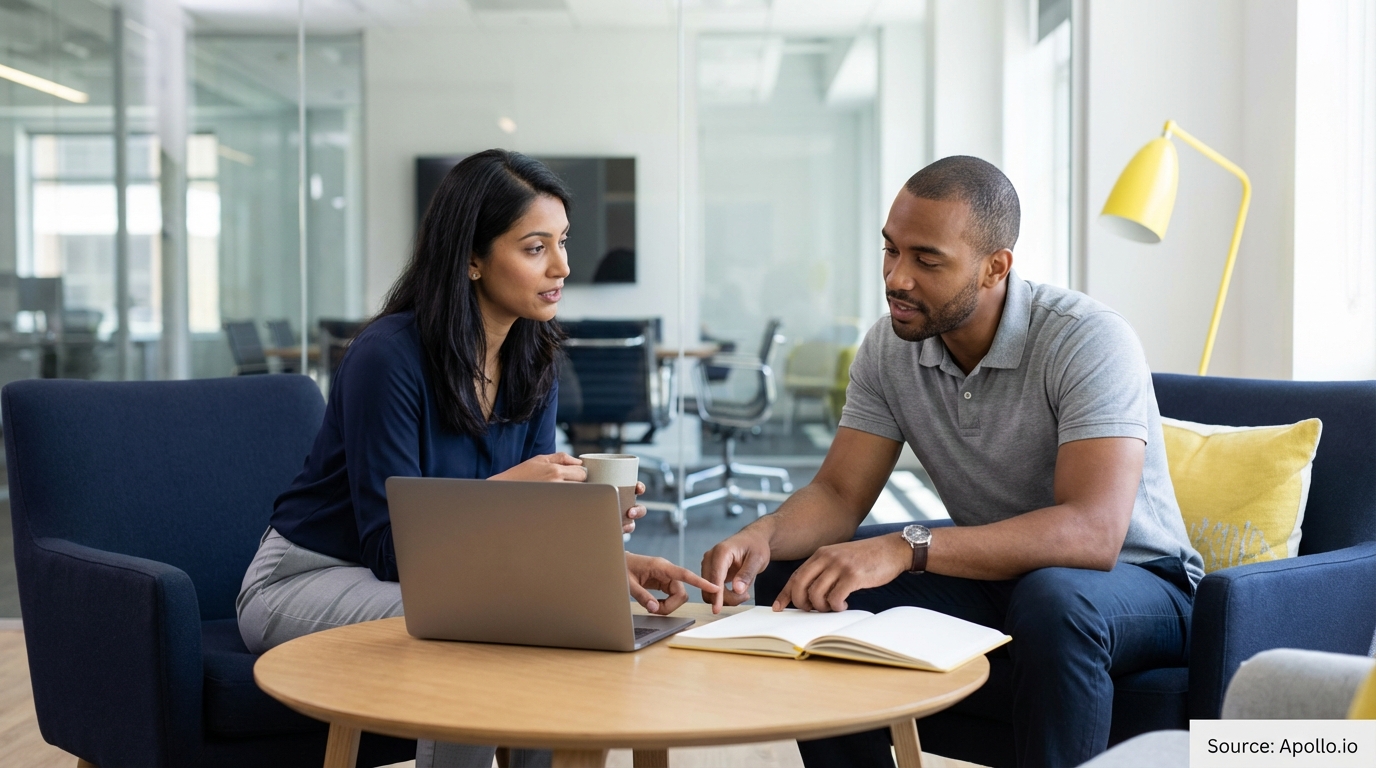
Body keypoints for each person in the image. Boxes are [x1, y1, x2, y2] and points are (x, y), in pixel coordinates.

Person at [700, 156, 1203, 768]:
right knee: (803, 579)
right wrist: (764, 535)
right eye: (891, 251)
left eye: (926, 260)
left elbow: (1092, 533)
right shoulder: (890, 347)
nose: (896, 278)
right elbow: (837, 493)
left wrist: (904, 546)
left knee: (1054, 599)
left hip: (1138, 584)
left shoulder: (1086, 339)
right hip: (998, 579)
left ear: (996, 267)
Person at [237, 149, 715, 768]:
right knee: (475, 623)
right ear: (470, 258)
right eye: (535, 247)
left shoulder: (534, 359)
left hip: (439, 578)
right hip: (304, 577)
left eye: (563, 242)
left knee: (552, 615)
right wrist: (513, 490)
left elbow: (520, 535)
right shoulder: (388, 358)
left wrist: (605, 558)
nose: (563, 266)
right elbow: (390, 550)